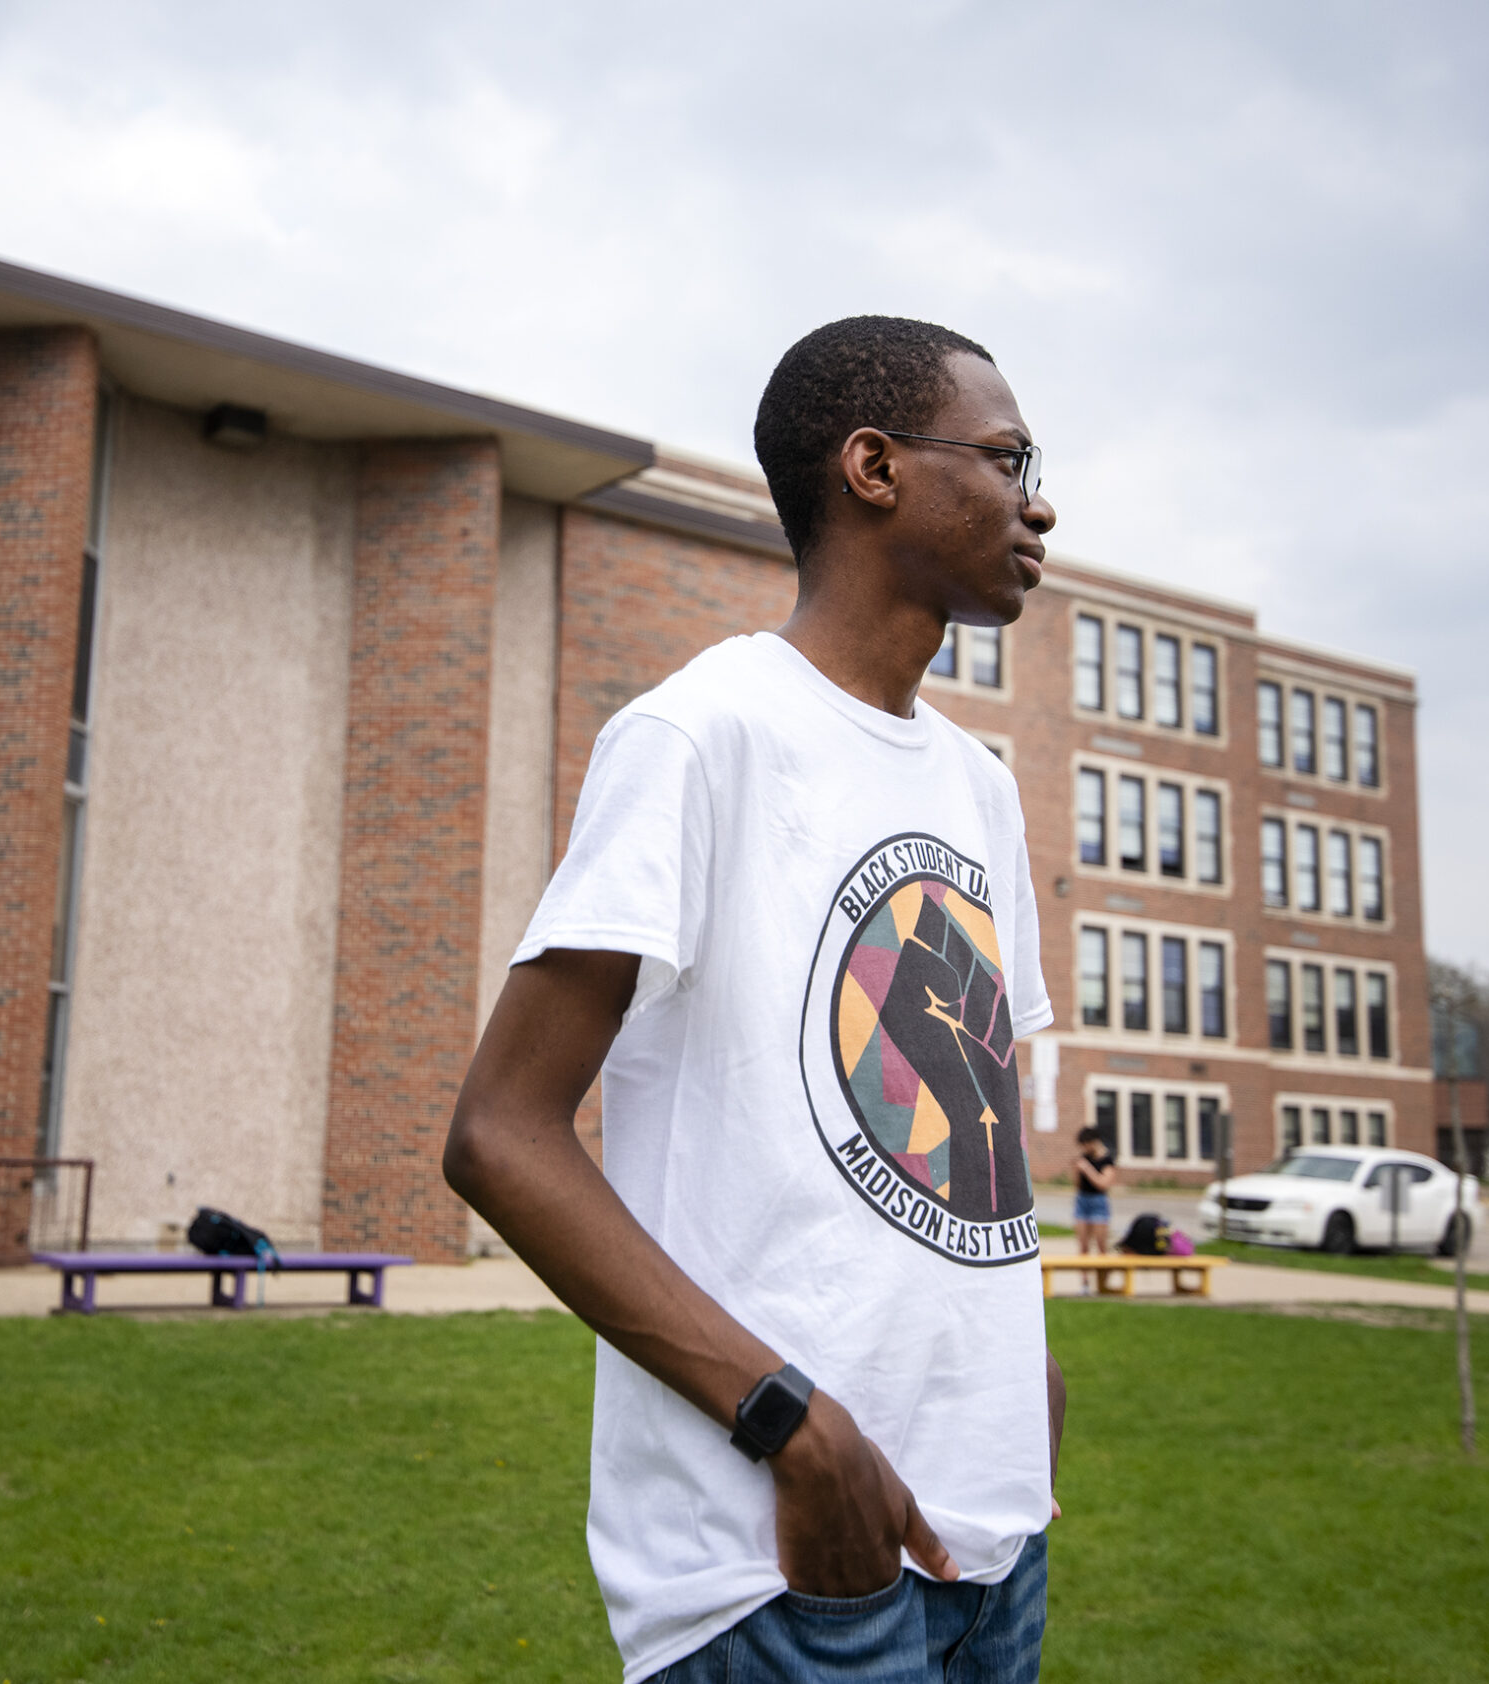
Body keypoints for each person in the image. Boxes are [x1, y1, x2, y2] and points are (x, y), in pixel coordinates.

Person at [444, 316, 1064, 1684]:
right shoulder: (698, 735)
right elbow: (500, 1133)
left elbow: (981, 1119)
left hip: (995, 1543)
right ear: (874, 466)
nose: (1042, 500)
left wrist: (1027, 1373)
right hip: (784, 1568)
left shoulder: (979, 788)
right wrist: (788, 1421)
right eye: (1011, 456)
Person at [1073, 1129, 1116, 1257]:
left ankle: (1102, 1276)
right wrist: (1077, 1171)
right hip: (1082, 1200)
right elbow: (1077, 1185)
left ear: (1093, 1142)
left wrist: (1087, 1169)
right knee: (1083, 1245)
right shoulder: (1083, 1158)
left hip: (1098, 1201)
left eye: (1085, 1144)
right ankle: (1085, 1277)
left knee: (1101, 1244)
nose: (1084, 1148)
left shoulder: (1107, 1161)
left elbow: (1103, 1184)